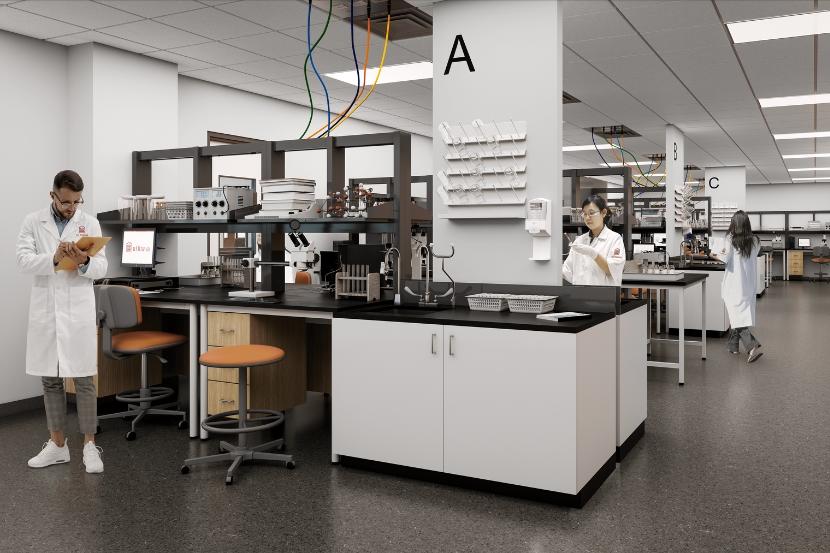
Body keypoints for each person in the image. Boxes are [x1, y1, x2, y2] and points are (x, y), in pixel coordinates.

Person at [16, 170, 108, 473]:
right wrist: (54, 259)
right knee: (50, 379)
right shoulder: (33, 221)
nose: (72, 208)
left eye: (77, 202)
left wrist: (85, 262)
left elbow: (103, 266)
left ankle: (90, 446)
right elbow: (22, 260)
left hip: (77, 310)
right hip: (47, 311)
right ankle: (57, 446)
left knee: (83, 378)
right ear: (53, 195)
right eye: (66, 202)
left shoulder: (89, 222)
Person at [710, 210, 763, 363]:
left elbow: (724, 258)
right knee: (738, 315)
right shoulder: (755, 241)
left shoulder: (730, 240)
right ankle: (733, 346)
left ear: (735, 224)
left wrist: (713, 253)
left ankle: (751, 345)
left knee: (736, 317)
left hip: (733, 285)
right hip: (748, 285)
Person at [562, 194, 626, 286]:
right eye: (585, 214)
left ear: (603, 213)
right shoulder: (579, 241)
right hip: (579, 296)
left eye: (591, 213)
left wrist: (593, 254)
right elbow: (567, 271)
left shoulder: (614, 239)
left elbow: (613, 270)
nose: (587, 217)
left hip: (604, 297)